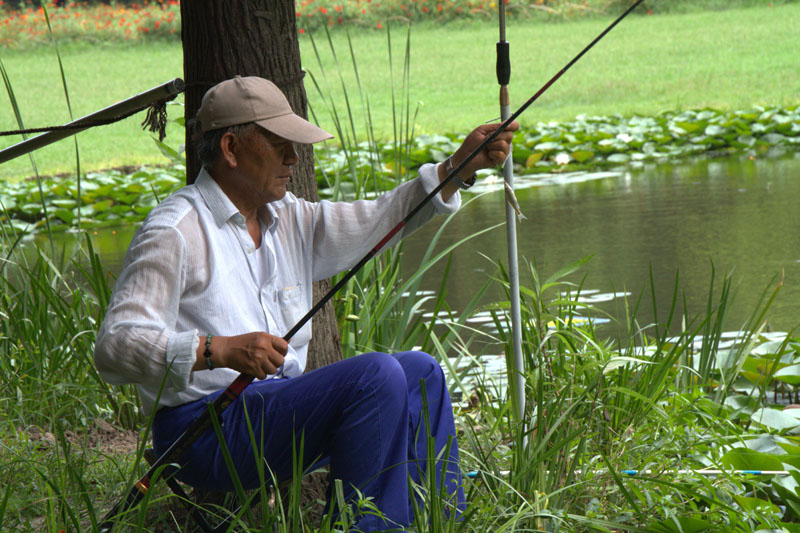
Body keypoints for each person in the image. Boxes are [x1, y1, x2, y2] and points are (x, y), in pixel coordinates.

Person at [94, 75, 518, 531]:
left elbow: (378, 218)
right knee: (374, 376)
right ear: (232, 149)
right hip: (203, 432)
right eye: (280, 146)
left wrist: (457, 167)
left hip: (272, 410)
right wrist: (218, 349)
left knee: (422, 374)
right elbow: (114, 348)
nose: (294, 159)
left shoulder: (289, 216)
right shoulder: (174, 231)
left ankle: (442, 524)